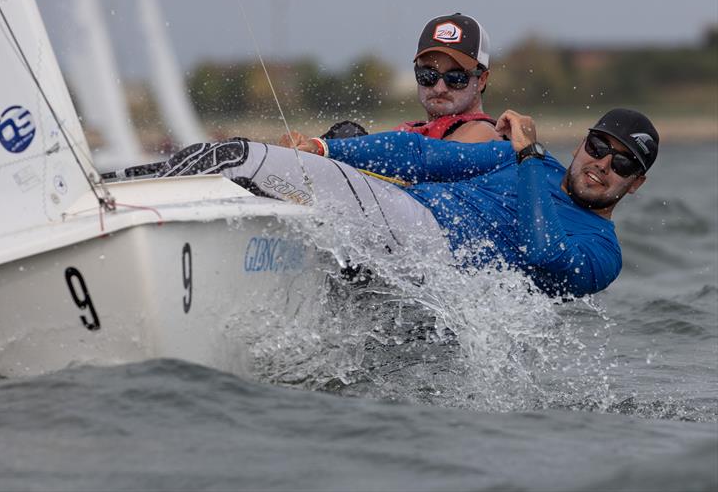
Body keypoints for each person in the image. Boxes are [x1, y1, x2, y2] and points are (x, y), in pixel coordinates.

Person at [110, 108, 658, 297]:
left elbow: (544, 253)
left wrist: (529, 156)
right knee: (243, 162)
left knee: (236, 156)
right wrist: (328, 148)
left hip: (435, 256)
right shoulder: (525, 163)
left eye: (623, 162)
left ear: (634, 184)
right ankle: (109, 187)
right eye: (597, 146)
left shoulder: (602, 253)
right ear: (584, 142)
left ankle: (105, 197)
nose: (602, 164)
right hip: (397, 229)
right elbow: (419, 155)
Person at [281, 13, 498, 148]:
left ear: (481, 80)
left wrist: (323, 149)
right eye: (428, 75)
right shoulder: (413, 132)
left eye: (455, 78)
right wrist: (303, 151)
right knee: (346, 133)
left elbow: (427, 161)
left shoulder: (483, 134)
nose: (439, 87)